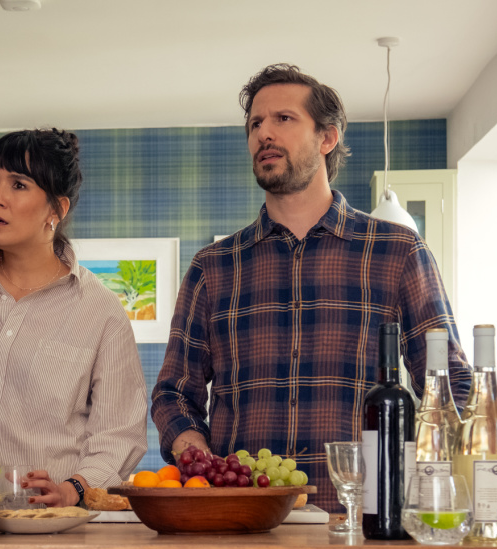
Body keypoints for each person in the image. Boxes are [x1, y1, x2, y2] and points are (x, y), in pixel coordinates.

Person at [151, 64, 471, 511]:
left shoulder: (398, 252)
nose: (264, 133)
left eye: (283, 119)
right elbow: (173, 392)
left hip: (364, 519)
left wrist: (435, 475)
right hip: (241, 518)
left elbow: (449, 383)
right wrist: (191, 447)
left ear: (327, 138)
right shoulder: (213, 267)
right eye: (255, 124)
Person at [0, 129, 147, 507]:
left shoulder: (101, 311)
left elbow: (119, 435)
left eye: (18, 185)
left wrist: (73, 488)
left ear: (56, 210)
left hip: (55, 527)